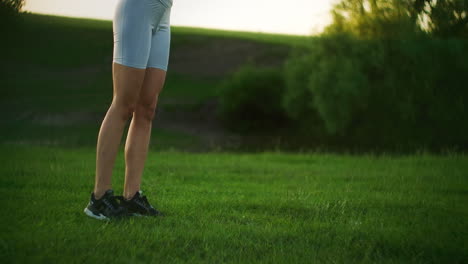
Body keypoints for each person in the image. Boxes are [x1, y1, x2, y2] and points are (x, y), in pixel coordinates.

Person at [83, 0, 173, 220]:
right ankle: (99, 198)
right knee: (124, 104)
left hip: (163, 14)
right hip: (138, 9)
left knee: (147, 108)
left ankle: (131, 197)